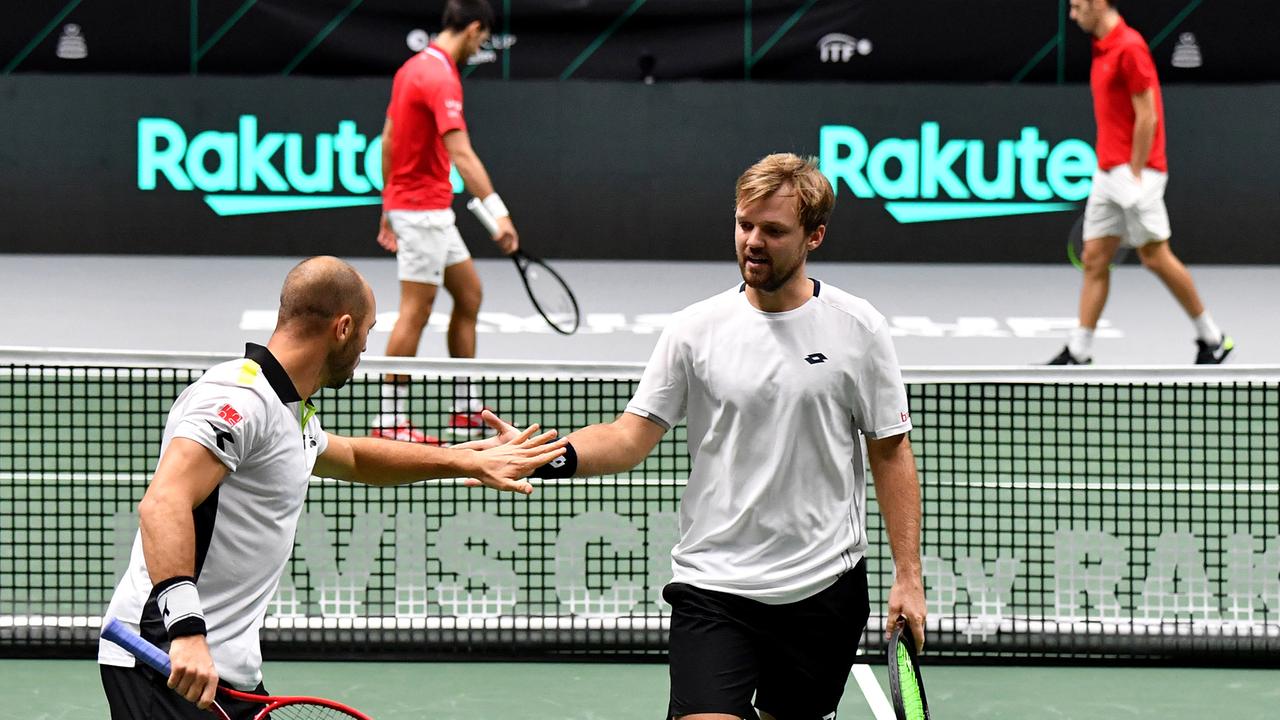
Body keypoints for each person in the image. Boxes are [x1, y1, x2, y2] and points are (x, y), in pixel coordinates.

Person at [521, 154, 926, 720]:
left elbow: (890, 449)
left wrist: (909, 576)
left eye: (773, 230)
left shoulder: (857, 328)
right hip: (714, 586)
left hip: (823, 591)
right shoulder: (695, 329)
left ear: (815, 236)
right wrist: (541, 457)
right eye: (744, 225)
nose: (752, 242)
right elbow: (629, 436)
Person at [98, 256, 564, 719]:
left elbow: (358, 458)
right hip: (165, 656)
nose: (366, 345)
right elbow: (164, 501)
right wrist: (186, 632)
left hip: (225, 670)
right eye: (367, 330)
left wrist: (465, 458)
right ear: (342, 328)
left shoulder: (288, 407)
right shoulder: (237, 399)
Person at [1049, 0, 1232, 365]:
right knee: (1095, 258)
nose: (1072, 15)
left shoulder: (1130, 47)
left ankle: (1212, 338)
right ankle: (1079, 351)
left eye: (1078, 6)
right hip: (1106, 172)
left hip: (1136, 173)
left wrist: (1135, 172)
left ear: (1099, 3)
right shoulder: (1102, 46)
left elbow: (1147, 116)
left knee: (1155, 257)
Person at [374, 0, 518, 442]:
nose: (481, 46)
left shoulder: (412, 68)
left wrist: (387, 205)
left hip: (420, 206)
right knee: (415, 311)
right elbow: (462, 153)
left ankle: (465, 410)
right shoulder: (440, 75)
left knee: (469, 294)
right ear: (474, 28)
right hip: (423, 213)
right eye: (482, 38)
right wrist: (499, 213)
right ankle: (390, 422)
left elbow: (388, 139)